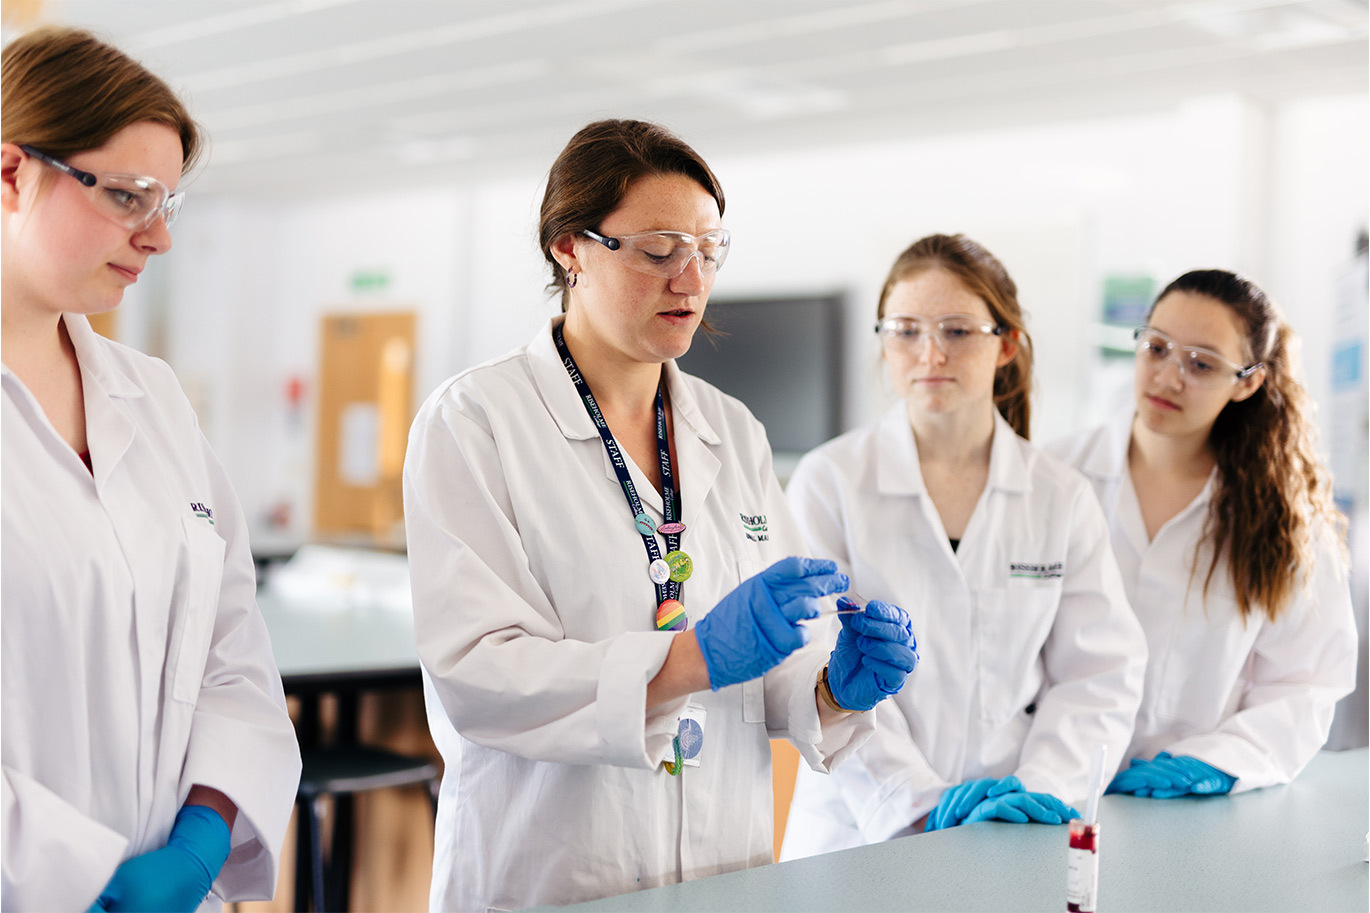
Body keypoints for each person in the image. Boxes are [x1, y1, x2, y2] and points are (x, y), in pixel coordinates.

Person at [403, 118, 918, 911]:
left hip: (721, 873)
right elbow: (479, 674)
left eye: (708, 251)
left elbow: (765, 672)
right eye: (658, 251)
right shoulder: (475, 423)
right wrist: (690, 660)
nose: (691, 280)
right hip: (549, 876)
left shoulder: (732, 430)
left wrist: (832, 690)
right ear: (570, 248)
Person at [1, 26, 301, 911]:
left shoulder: (154, 400)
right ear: (12, 173)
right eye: (130, 196)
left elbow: (231, 648)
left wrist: (205, 838)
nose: (159, 237)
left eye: (167, 202)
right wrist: (71, 876)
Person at [780, 234, 1147, 860]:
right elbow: (814, 661)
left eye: (956, 330)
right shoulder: (830, 481)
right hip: (857, 836)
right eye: (905, 330)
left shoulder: (1059, 495)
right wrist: (914, 804)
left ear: (1005, 343)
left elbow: (1099, 674)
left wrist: (1036, 794)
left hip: (1010, 826)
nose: (930, 353)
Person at [1049, 269, 1357, 798]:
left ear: (1248, 382)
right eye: (1156, 348)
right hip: (1051, 792)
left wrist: (1218, 763)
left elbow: (1307, 682)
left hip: (1192, 810)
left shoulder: (1283, 519)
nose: (1168, 377)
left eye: (1200, 363)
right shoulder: (1052, 477)